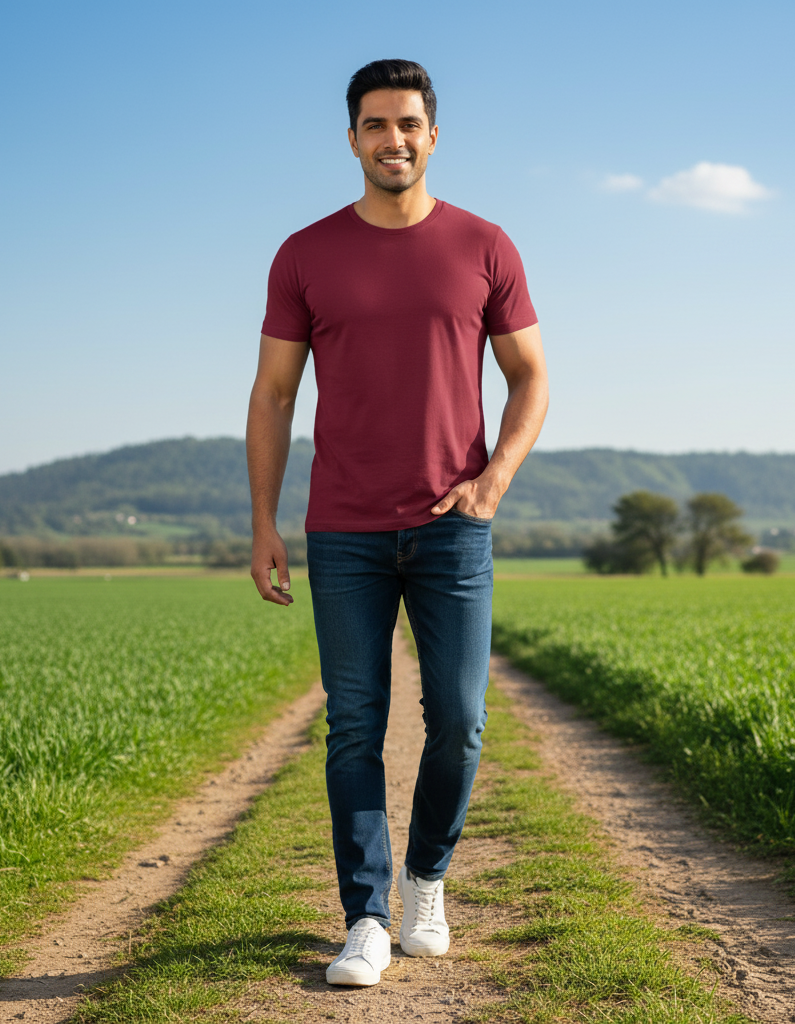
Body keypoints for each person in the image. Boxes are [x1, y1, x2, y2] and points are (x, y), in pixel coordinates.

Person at [246, 58, 548, 988]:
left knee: (458, 721)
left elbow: (530, 376)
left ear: (432, 134)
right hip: (342, 529)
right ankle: (365, 916)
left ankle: (426, 880)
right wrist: (262, 520)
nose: (394, 139)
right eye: (375, 125)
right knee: (355, 726)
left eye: (409, 123)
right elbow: (273, 394)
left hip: (454, 523)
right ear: (352, 139)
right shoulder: (305, 253)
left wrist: (495, 479)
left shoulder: (485, 244)